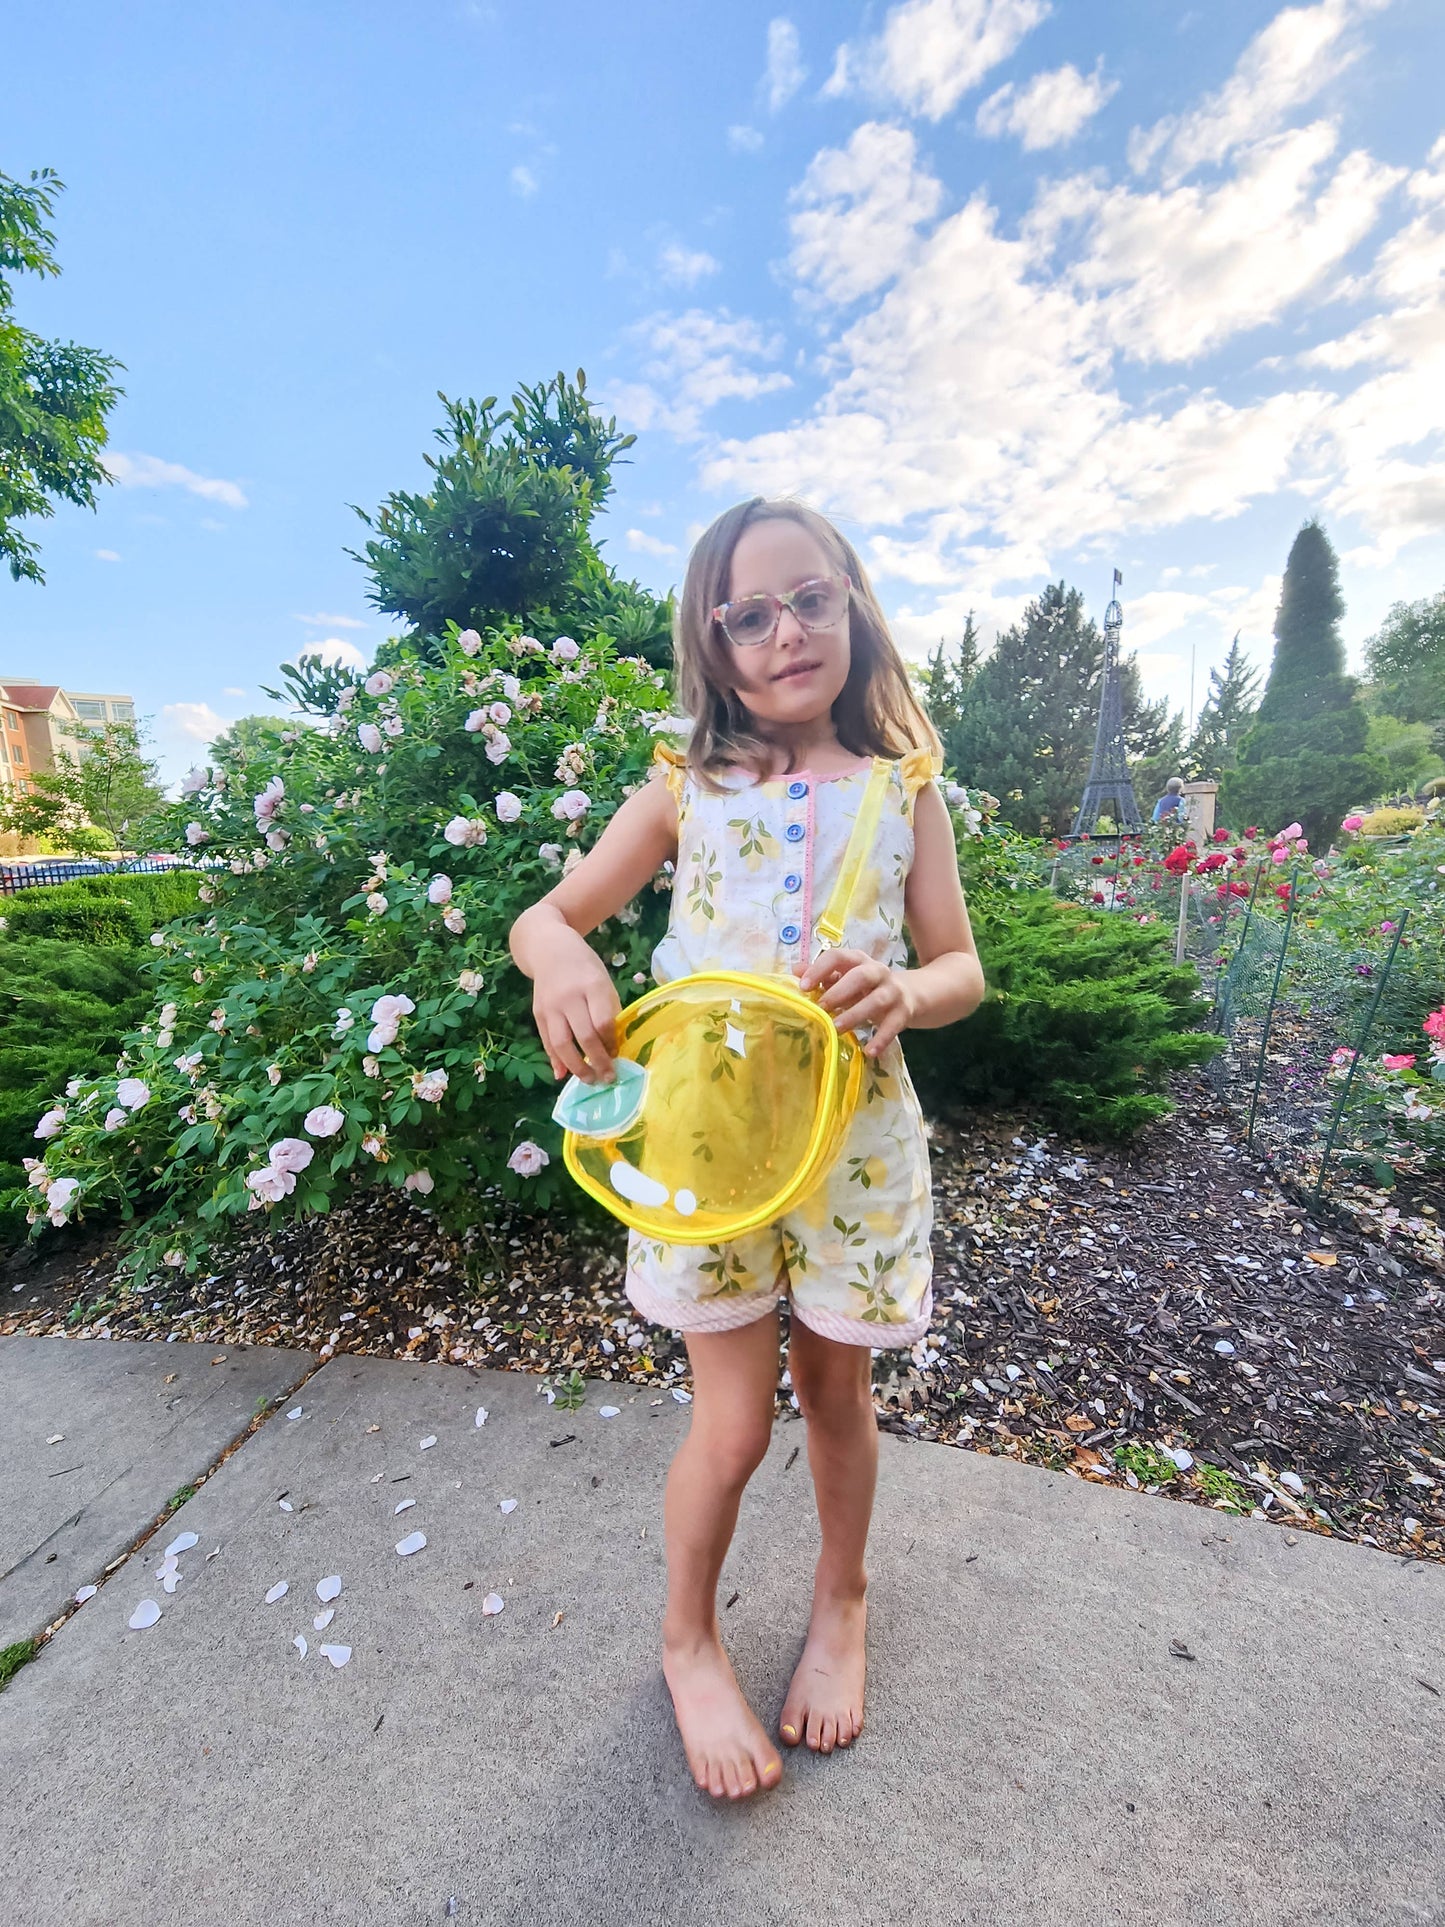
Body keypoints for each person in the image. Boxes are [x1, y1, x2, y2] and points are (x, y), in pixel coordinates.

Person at [510, 497, 985, 1803]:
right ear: (712, 645)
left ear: (854, 609)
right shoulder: (682, 786)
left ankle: (843, 1603)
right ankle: (687, 1640)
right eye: (750, 614)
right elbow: (548, 916)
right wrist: (557, 954)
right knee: (725, 1427)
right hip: (708, 1151)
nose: (787, 631)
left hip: (856, 1153)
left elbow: (960, 963)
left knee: (836, 1399)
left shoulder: (903, 789)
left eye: (812, 599)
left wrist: (909, 992)